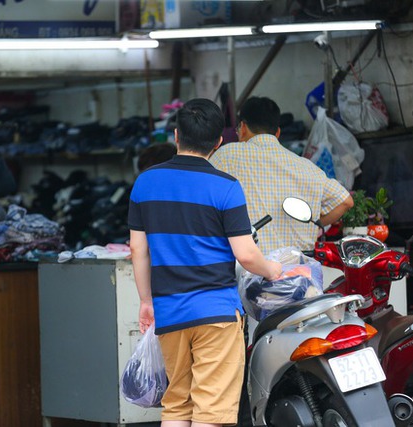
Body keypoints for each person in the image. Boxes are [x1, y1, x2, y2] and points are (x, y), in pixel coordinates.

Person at [128, 98, 282, 427]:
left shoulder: (146, 183)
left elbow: (138, 250)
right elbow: (245, 253)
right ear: (219, 142)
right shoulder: (225, 186)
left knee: (176, 405)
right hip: (215, 312)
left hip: (169, 311)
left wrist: (146, 301)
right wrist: (273, 270)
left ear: (175, 135)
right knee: (210, 411)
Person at [210, 96, 354, 253]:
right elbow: (346, 201)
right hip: (299, 270)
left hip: (247, 268)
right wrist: (314, 225)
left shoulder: (226, 156)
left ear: (242, 128)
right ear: (278, 133)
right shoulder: (307, 167)